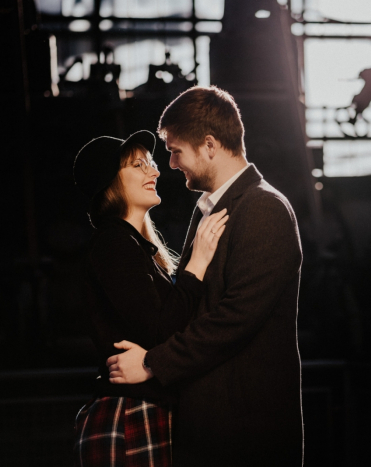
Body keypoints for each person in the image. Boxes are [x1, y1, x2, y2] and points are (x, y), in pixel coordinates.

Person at [106, 86, 304, 466]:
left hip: (246, 435)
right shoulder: (209, 209)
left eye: (176, 151)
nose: (172, 163)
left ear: (210, 145)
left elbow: (234, 318)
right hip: (214, 425)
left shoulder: (265, 209)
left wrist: (152, 363)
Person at [72, 130, 228, 467]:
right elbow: (161, 330)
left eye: (152, 163)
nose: (154, 172)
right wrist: (197, 264)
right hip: (129, 417)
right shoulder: (114, 244)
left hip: (144, 411)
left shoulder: (135, 248)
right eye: (139, 165)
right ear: (111, 183)